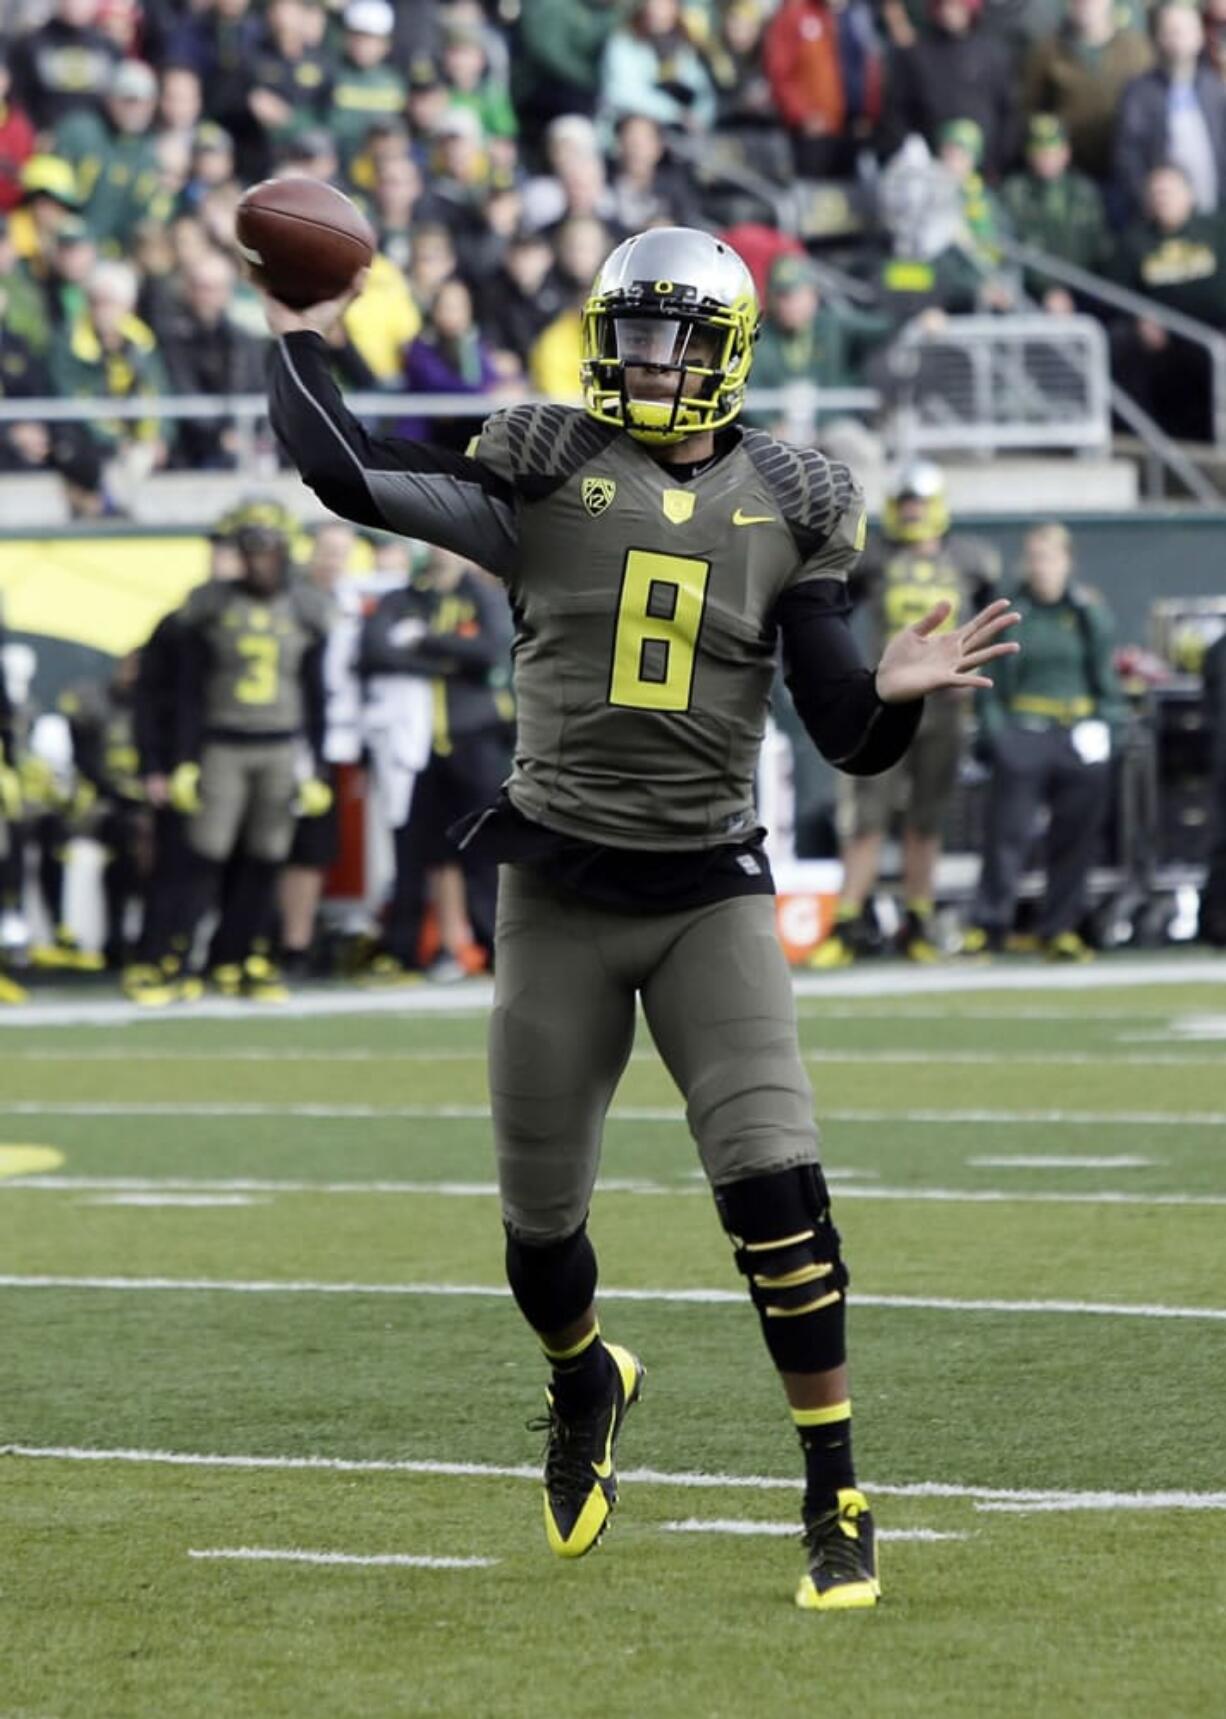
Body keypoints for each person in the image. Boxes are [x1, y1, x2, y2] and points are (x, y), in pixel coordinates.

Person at [261, 224, 1018, 1609]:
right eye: (628, 332)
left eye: (671, 336)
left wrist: (893, 696)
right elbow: (342, 464)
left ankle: (832, 1481)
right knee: (538, 1231)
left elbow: (843, 732)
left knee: (774, 1184)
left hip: (706, 890)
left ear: (722, 350)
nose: (643, 361)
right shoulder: (544, 465)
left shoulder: (791, 494)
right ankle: (586, 1373)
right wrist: (305, 327)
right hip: (554, 886)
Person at [809, 460, 1000, 967]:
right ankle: (847, 924)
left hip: (947, 708)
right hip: (889, 703)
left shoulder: (971, 560)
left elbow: (991, 618)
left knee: (927, 821)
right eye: (905, 503)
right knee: (867, 820)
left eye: (919, 503)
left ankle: (919, 920)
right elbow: (831, 613)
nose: (912, 513)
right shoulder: (875, 559)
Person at [169, 499, 333, 1000]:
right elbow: (188, 687)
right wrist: (183, 757)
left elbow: (315, 690)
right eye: (250, 550)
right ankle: (180, 955)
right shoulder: (211, 604)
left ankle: (244, 954)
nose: (259, 560)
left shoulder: (305, 606)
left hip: (280, 744)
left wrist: (317, 764)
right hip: (224, 741)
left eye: (267, 549)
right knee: (206, 852)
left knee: (268, 855)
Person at [966, 523, 1123, 960]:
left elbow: (1105, 679)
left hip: (1078, 734)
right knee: (1007, 834)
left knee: (1076, 836)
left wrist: (1107, 726)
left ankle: (1060, 926)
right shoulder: (1014, 611)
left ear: (1068, 561)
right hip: (1025, 730)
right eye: (1035, 557)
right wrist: (999, 734)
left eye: (1051, 557)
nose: (1042, 567)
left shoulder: (1088, 611)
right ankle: (990, 923)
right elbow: (991, 680)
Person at [358, 545, 513, 977]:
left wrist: (424, 642)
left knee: (483, 852)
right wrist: (449, 660)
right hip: (414, 744)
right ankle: (404, 949)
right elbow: (374, 651)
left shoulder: (482, 596)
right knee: (414, 850)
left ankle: (494, 949)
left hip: (474, 740)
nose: (444, 552)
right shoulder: (402, 597)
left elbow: (490, 649)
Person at [1114, 1, 1226, 221]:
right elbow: (1127, 159)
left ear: (1199, 36)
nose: (1176, 40)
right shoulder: (1139, 94)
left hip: (1216, 215)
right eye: (1169, 32)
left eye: (1183, 31)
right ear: (1156, 38)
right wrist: (1149, 201)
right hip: (1163, 221)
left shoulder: (1214, 88)